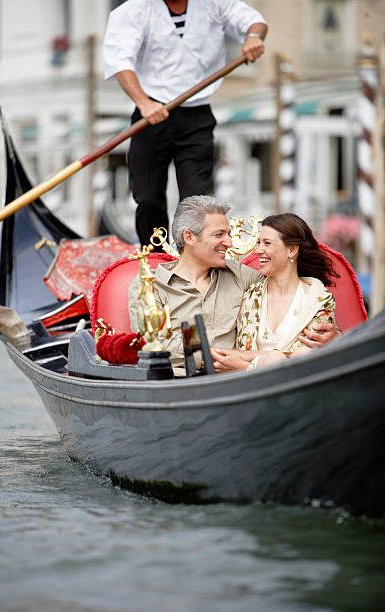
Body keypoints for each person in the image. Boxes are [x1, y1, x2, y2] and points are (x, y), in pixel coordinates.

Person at [103, 0, 268, 247]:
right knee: (148, 197)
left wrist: (253, 37)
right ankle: (154, 257)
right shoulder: (134, 10)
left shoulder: (213, 3)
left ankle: (191, 263)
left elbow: (253, 21)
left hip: (197, 115)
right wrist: (144, 103)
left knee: (195, 201)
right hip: (151, 114)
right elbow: (121, 61)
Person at [128, 197, 340, 375]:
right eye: (219, 235)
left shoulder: (240, 275)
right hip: (176, 388)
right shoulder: (149, 285)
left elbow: (291, 296)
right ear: (189, 237)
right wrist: (218, 356)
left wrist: (334, 337)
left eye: (228, 234)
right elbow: (151, 345)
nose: (229, 242)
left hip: (235, 382)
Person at [210, 212, 339, 372]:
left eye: (267, 243)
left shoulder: (318, 298)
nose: (258, 251)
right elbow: (243, 350)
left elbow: (304, 358)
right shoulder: (252, 296)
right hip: (253, 387)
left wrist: (247, 365)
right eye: (258, 243)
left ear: (291, 250)